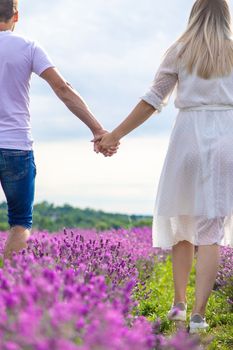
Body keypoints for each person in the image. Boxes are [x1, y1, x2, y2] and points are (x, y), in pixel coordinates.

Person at [94, 0, 233, 333]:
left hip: (188, 138)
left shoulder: (180, 49)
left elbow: (153, 99)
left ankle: (179, 305)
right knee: (211, 232)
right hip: (227, 137)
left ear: (195, 12)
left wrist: (113, 135)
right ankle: (200, 315)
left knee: (182, 223)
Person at [0, 0, 117, 263]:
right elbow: (62, 89)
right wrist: (97, 129)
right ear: (16, 15)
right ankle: (7, 293)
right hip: (16, 147)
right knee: (20, 223)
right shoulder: (28, 47)